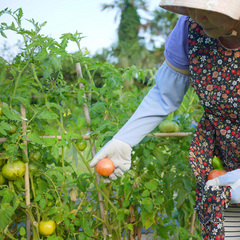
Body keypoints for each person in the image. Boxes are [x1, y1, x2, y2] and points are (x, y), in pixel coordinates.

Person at [90, 0, 240, 239]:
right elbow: (164, 94)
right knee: (231, 231)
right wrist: (125, 140)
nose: (196, 16)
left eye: (206, 9)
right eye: (191, 8)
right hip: (224, 158)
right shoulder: (189, 30)